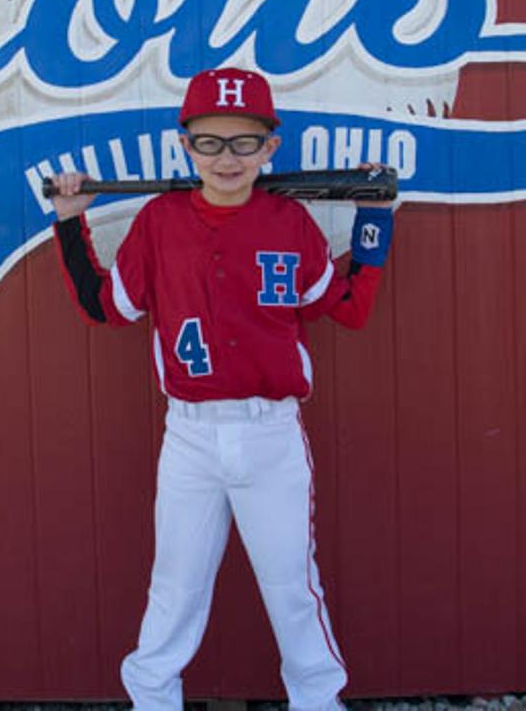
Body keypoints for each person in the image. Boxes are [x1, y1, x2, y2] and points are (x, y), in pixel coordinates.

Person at [50, 67, 394, 711]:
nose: (226, 158)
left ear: (270, 148)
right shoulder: (160, 221)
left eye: (244, 141)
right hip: (190, 436)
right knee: (174, 589)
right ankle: (153, 699)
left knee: (293, 589)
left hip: (272, 434)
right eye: (209, 142)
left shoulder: (289, 222)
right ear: (186, 146)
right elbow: (105, 306)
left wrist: (373, 218)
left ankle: (319, 701)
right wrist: (71, 222)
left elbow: (348, 307)